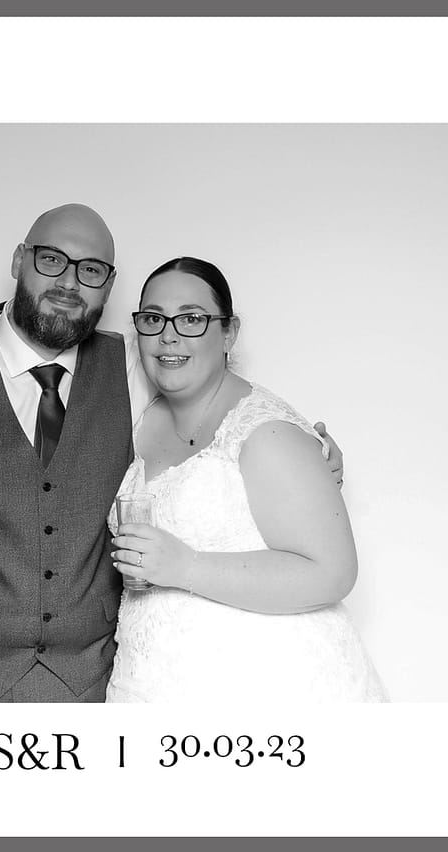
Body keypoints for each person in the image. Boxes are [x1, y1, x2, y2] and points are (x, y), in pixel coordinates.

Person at [0, 205, 343, 702]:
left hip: (94, 685)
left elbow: (215, 405)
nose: (69, 282)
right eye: (51, 260)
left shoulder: (133, 365)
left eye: (91, 270)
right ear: (18, 260)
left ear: (109, 284)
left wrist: (307, 448)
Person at [107, 257, 387, 703]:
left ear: (229, 333)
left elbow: (333, 573)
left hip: (270, 683)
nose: (169, 335)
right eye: (154, 318)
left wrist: (185, 568)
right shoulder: (139, 414)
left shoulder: (267, 432)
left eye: (193, 318)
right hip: (154, 680)